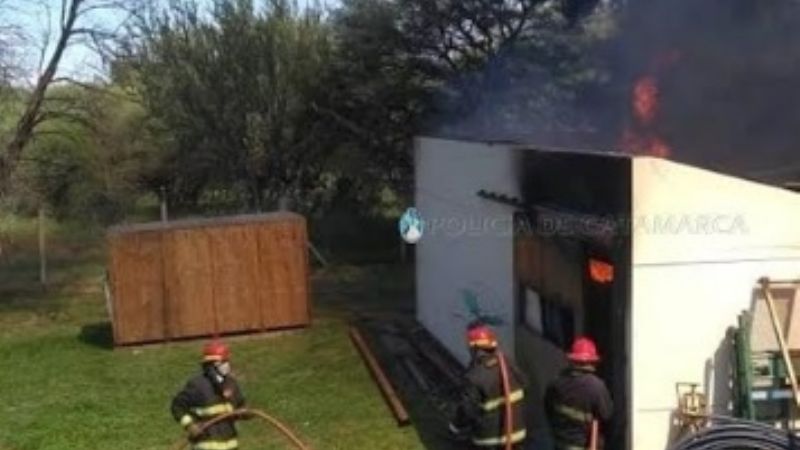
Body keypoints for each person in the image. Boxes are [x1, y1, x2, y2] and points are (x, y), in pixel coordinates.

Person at [449, 322, 528, 449]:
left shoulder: (475, 376)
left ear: (474, 349)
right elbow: (524, 384)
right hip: (517, 434)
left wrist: (455, 427)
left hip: (489, 440)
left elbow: (467, 409)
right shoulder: (508, 363)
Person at [171, 340, 249, 450]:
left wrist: (244, 413)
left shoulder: (231, 384)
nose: (227, 365)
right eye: (224, 362)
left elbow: (241, 406)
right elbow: (177, 406)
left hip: (231, 446)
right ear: (212, 365)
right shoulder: (197, 386)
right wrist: (190, 426)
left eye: (227, 361)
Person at [545, 336, 613, 450]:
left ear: (572, 360)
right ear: (592, 361)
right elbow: (607, 414)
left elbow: (548, 409)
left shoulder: (556, 384)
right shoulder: (596, 386)